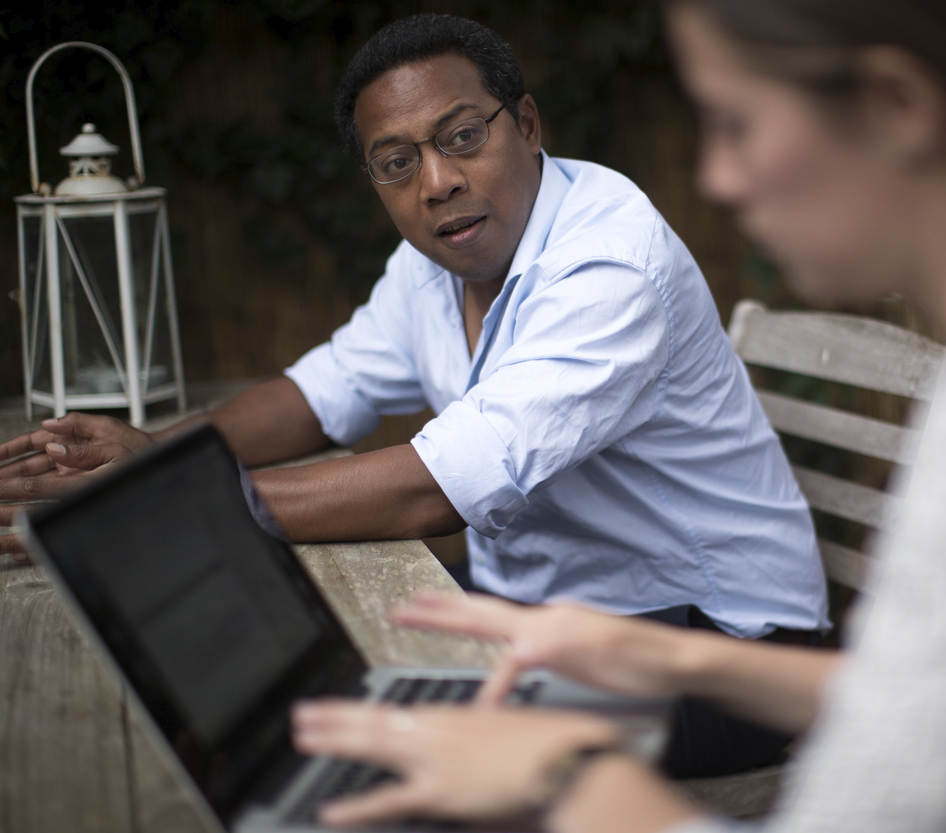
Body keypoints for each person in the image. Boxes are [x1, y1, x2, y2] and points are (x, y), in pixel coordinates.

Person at [287, 1, 946, 831]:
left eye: (736, 125)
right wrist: (657, 652)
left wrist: (563, 771)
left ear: (897, 107)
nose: (717, 179)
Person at [0, 12, 830, 778]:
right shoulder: (437, 263)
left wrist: (157, 505)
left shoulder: (608, 264)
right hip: (548, 617)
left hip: (722, 653)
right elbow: (320, 393)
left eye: (463, 136)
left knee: (351, 742)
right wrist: (155, 452)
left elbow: (435, 490)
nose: (437, 181)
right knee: (261, 674)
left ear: (527, 125)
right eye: (397, 162)